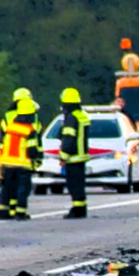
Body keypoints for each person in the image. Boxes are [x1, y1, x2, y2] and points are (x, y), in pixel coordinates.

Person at [0, 98, 41, 220]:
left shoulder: (11, 127)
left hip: (7, 162)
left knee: (7, 188)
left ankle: (3, 212)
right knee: (23, 189)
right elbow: (32, 150)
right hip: (22, 164)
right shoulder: (29, 130)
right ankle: (20, 212)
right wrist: (36, 160)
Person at [59, 87, 91, 219]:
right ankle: (81, 208)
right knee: (80, 185)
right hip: (82, 156)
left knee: (73, 185)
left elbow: (68, 139)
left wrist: (63, 157)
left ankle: (77, 209)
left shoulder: (71, 118)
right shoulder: (82, 115)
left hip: (73, 157)